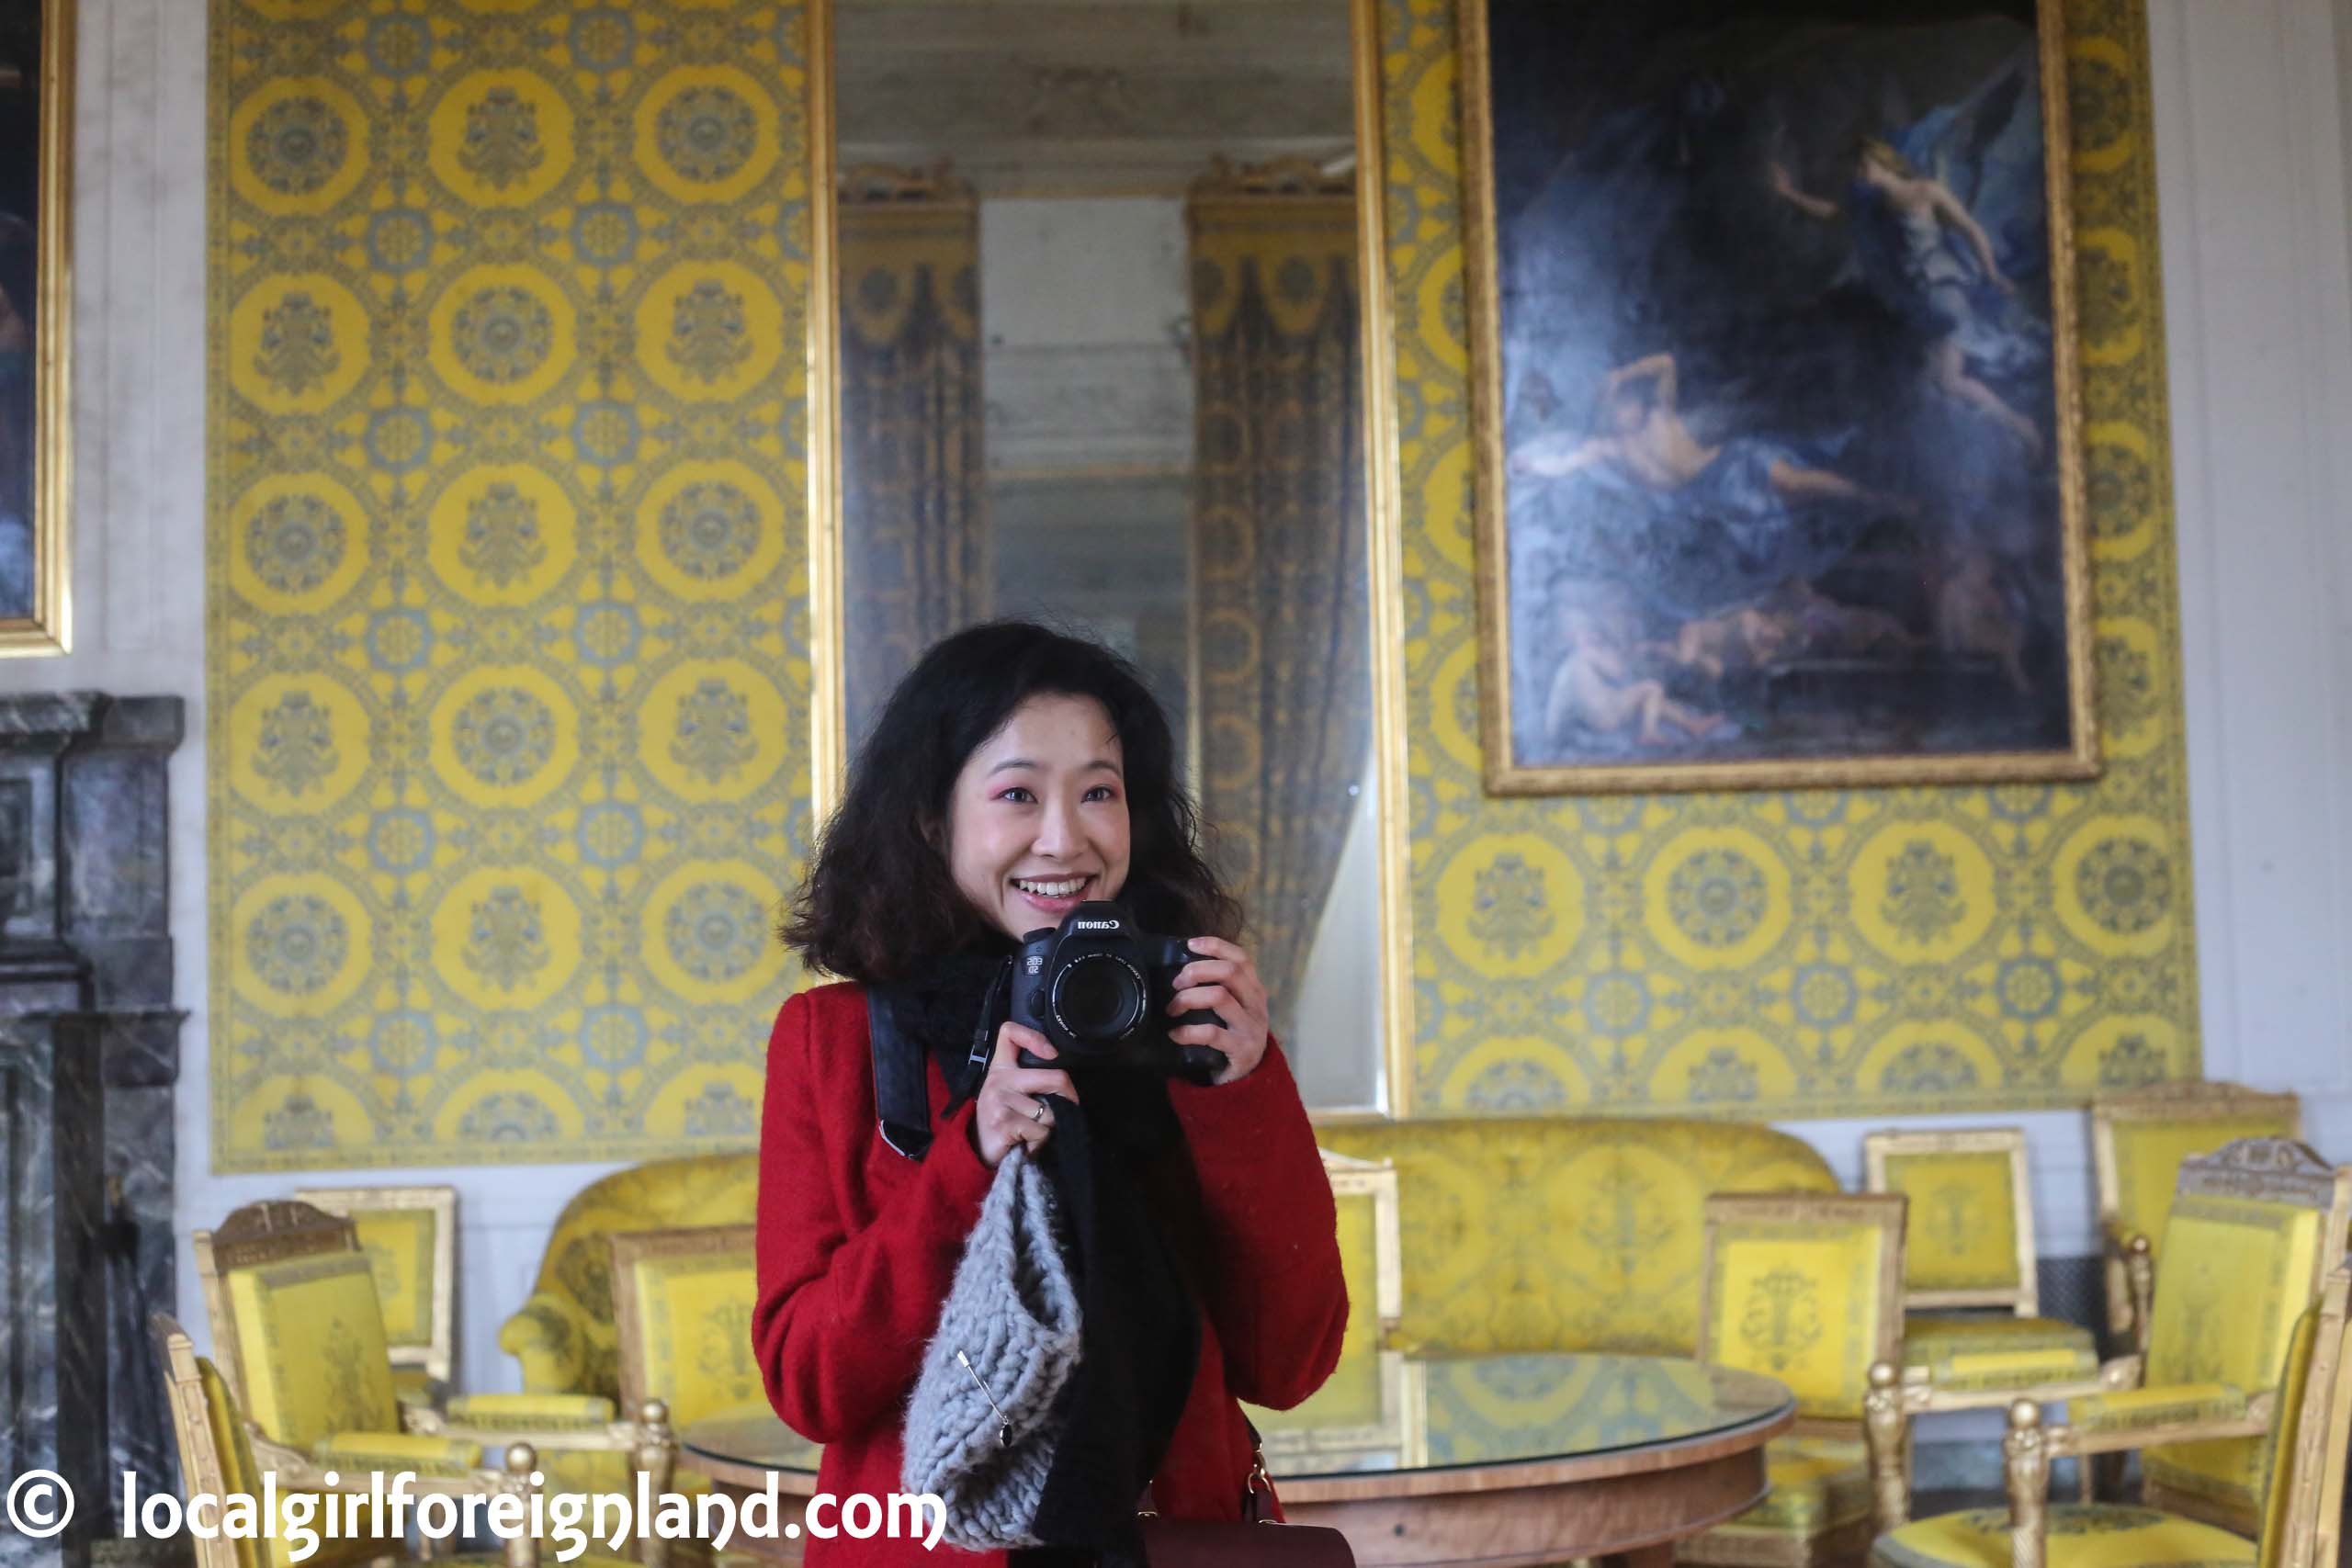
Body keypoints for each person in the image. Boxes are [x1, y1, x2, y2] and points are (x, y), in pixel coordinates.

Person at [754, 619, 1348, 1566]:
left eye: (1099, 794)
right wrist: (969, 1159)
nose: (1063, 838)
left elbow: (1291, 1363)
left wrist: (1243, 1088)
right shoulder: (839, 1044)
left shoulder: (1184, 1026)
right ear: (931, 818)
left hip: (1173, 1542)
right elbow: (808, 1382)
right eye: (1017, 795)